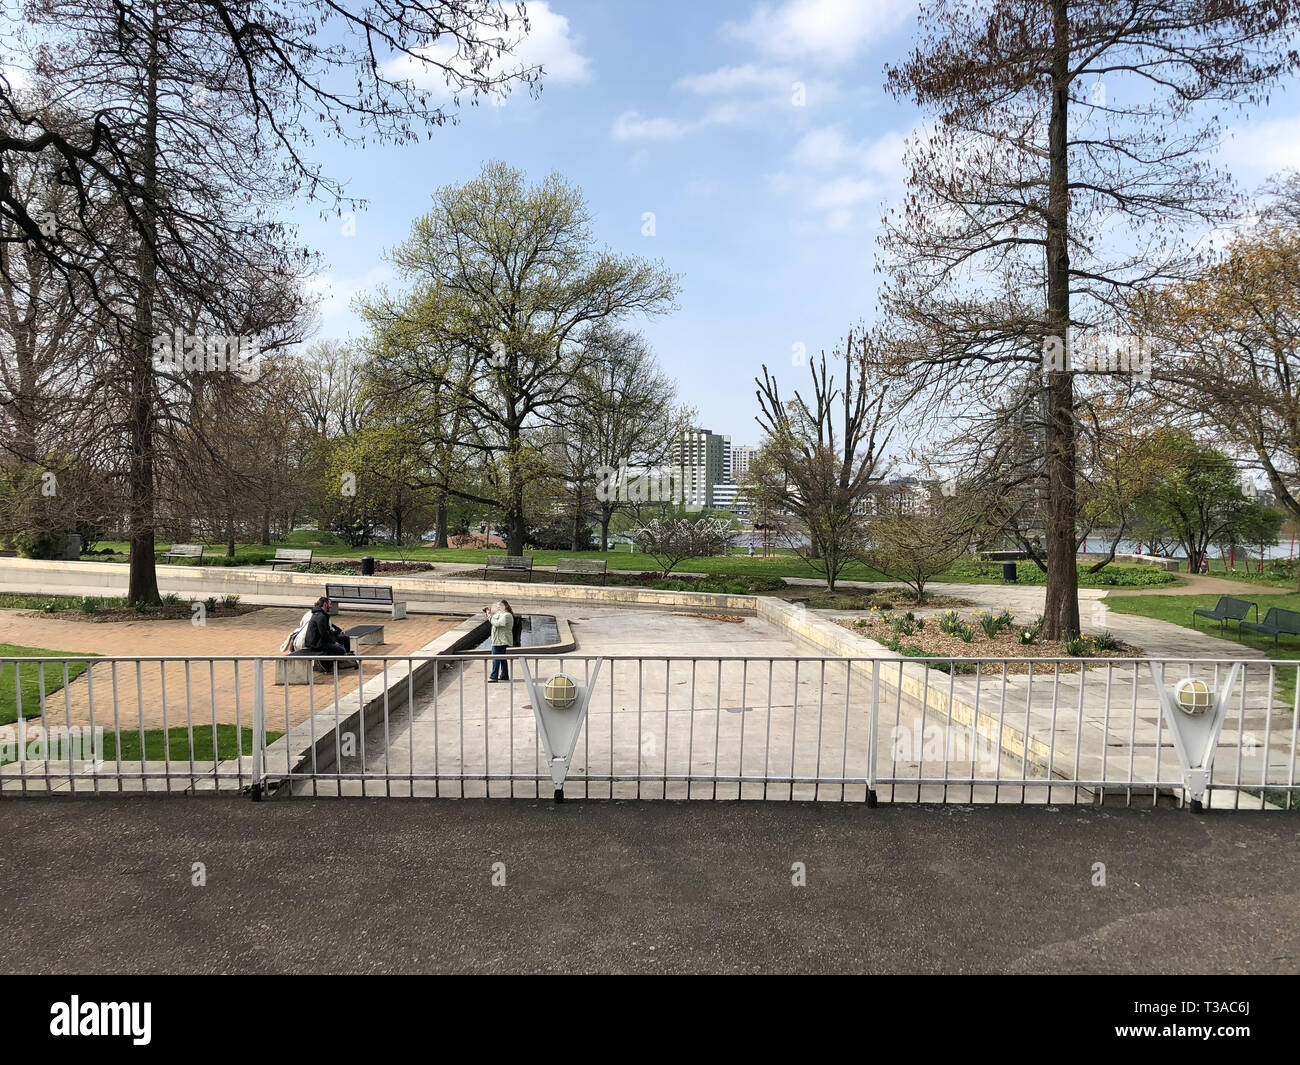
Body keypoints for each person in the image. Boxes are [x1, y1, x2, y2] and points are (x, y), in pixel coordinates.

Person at [303, 596, 357, 670]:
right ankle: (326, 664)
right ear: (325, 604)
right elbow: (324, 634)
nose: (331, 606)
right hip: (316, 644)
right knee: (341, 650)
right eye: (330, 604)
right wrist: (334, 642)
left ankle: (342, 661)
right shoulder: (320, 616)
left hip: (319, 641)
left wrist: (337, 633)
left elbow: (328, 629)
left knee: (344, 640)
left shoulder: (320, 614)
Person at [485, 599, 514, 682]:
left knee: (495, 658)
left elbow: (497, 624)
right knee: (502, 658)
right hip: (498, 640)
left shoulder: (507, 615)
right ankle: (504, 675)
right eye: (497, 606)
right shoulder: (500, 614)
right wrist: (489, 614)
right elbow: (493, 619)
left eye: (500, 606)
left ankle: (494, 676)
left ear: (505, 606)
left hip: (501, 640)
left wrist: (489, 616)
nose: (498, 608)